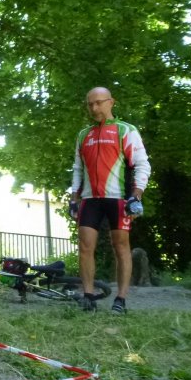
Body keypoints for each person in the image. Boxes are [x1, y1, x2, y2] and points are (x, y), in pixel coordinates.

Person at [70, 86, 151, 314]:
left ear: (111, 102)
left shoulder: (125, 130)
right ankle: (88, 296)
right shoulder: (83, 134)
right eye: (90, 104)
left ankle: (121, 300)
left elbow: (142, 164)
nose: (94, 108)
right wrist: (74, 198)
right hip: (89, 199)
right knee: (85, 247)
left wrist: (136, 194)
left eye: (99, 102)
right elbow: (78, 168)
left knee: (121, 247)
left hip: (118, 198)